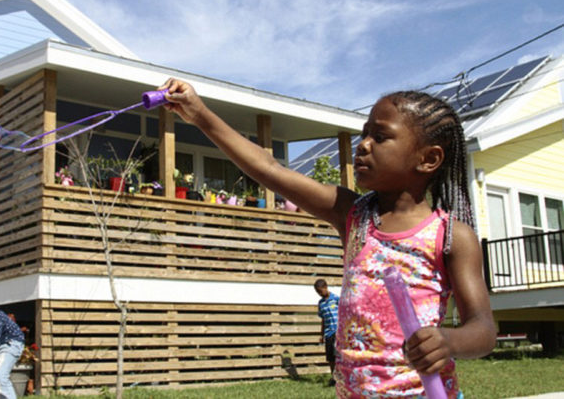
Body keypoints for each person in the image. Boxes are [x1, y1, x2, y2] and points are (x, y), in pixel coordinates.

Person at [161, 79, 496, 398]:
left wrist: (449, 342)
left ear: (428, 159)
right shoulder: (352, 215)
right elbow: (269, 169)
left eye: (380, 137)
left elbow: (482, 329)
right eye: (364, 134)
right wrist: (199, 113)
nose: (362, 144)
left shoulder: (450, 236)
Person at [314, 278, 339, 384]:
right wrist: (322, 334)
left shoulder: (336, 299)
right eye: (317, 292)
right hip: (328, 333)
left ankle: (342, 376)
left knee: (339, 355)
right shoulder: (321, 303)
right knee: (330, 357)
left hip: (338, 332)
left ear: (325, 287)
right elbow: (323, 319)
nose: (319, 294)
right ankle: (334, 377)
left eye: (320, 291)